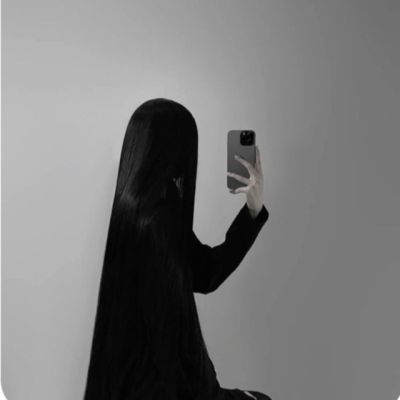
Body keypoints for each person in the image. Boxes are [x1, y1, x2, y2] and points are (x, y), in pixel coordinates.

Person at [83, 98, 272, 400]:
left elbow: (204, 273)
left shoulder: (133, 207)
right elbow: (171, 344)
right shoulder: (157, 221)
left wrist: (253, 211)